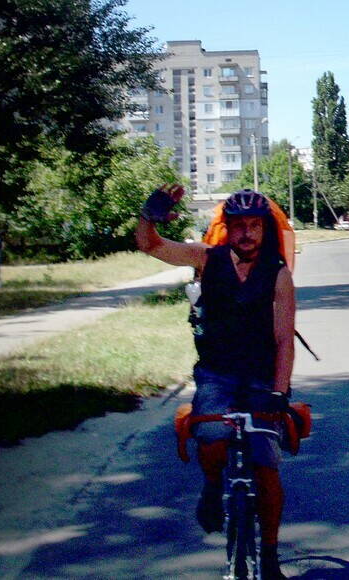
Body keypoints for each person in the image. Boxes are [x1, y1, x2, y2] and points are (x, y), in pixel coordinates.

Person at [136, 183, 296, 580]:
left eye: (254, 225)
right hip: (216, 374)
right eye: (238, 225)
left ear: (264, 229)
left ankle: (270, 556)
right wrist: (148, 216)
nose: (246, 233)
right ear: (227, 228)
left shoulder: (278, 274)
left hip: (261, 377)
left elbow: (283, 340)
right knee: (210, 439)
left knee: (266, 466)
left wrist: (279, 392)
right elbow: (150, 245)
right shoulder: (207, 258)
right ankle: (211, 486)